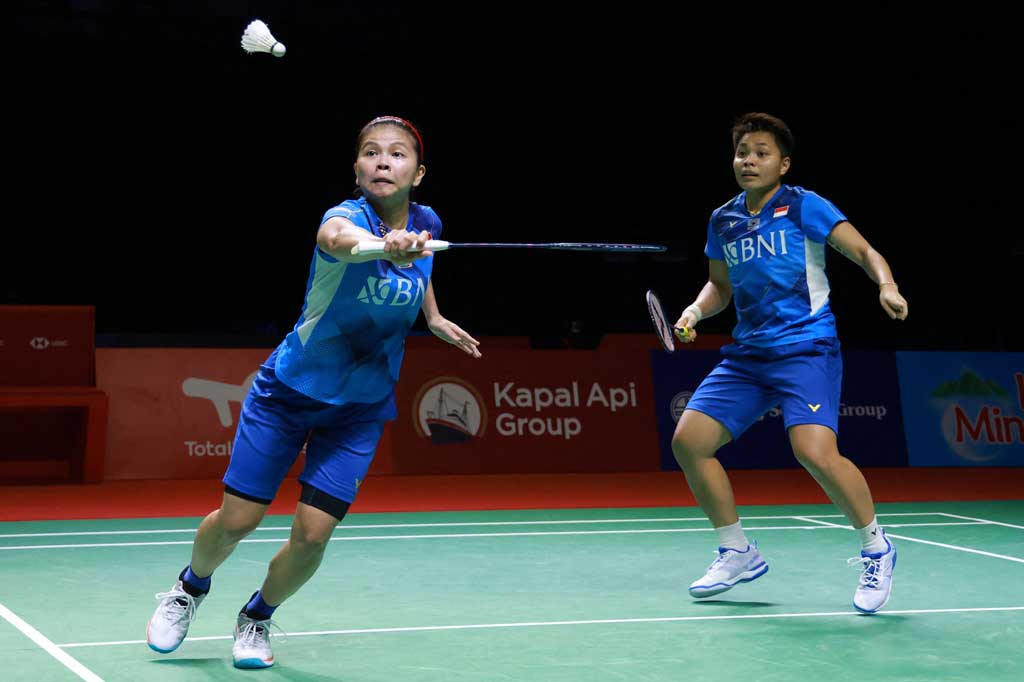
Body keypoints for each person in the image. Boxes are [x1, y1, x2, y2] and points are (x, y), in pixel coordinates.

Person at [146, 115, 482, 668]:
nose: (382, 161)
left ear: (418, 174)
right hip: (289, 391)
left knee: (314, 535)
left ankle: (256, 617)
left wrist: (434, 314)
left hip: (360, 407)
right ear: (356, 168)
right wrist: (383, 245)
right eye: (370, 152)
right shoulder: (344, 218)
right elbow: (340, 243)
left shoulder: (427, 222)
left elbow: (421, 268)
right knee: (238, 521)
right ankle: (190, 588)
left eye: (397, 155)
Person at [671, 112, 908, 614]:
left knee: (815, 451)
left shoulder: (804, 205)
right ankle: (736, 550)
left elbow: (865, 251)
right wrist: (695, 310)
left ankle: (876, 546)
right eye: (742, 152)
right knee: (690, 442)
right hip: (749, 354)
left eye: (761, 152)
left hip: (806, 347)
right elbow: (721, 286)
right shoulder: (724, 219)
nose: (749, 161)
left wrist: (885, 285)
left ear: (784, 163)